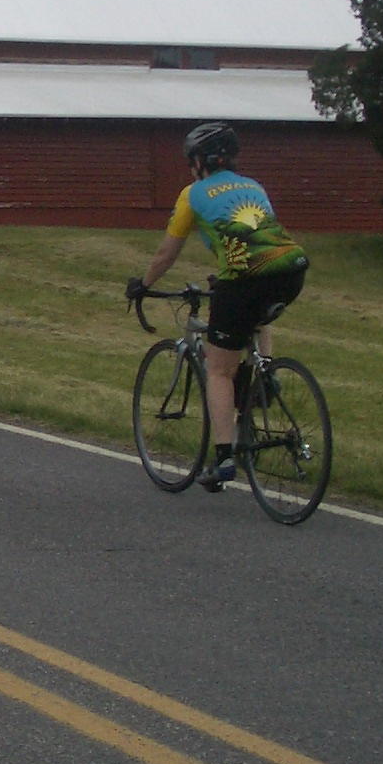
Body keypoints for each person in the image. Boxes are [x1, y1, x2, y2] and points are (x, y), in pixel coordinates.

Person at [127, 121, 310, 491]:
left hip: (245, 280)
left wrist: (143, 285)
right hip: (292, 270)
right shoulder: (253, 185)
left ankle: (225, 458)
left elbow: (166, 254)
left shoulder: (192, 194)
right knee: (254, 314)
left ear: (199, 161)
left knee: (219, 370)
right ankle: (263, 375)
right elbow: (256, 238)